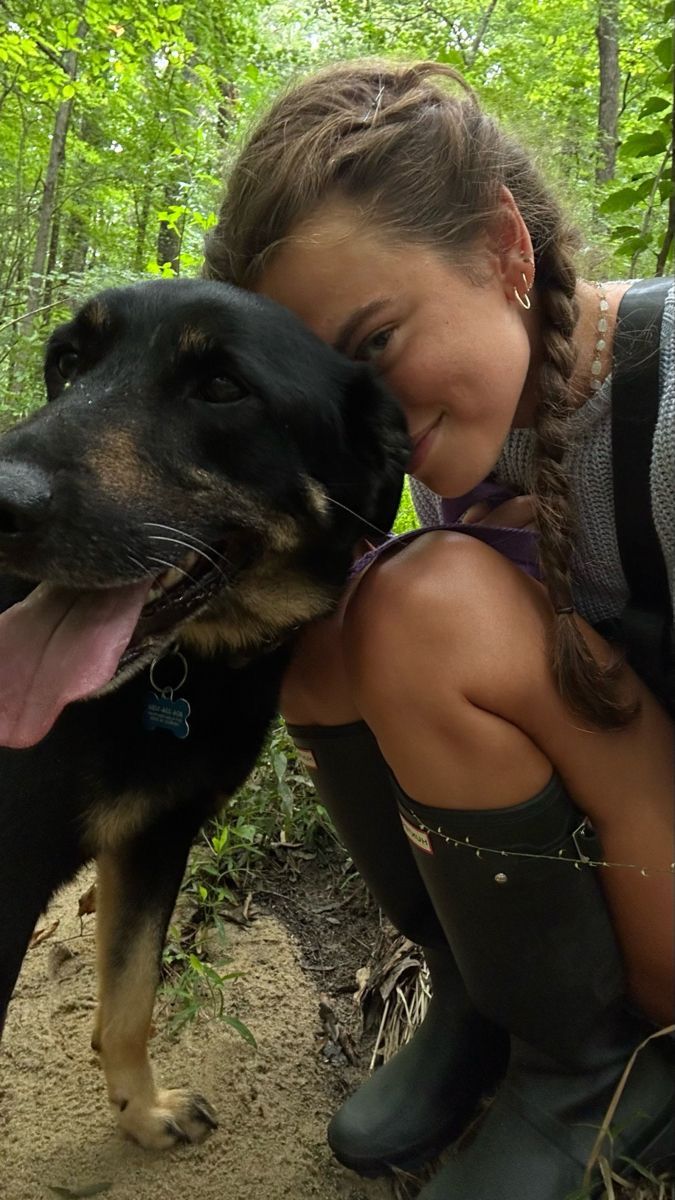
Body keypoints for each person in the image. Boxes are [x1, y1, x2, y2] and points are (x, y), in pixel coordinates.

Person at [204, 61, 675, 1199]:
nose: (359, 416)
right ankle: (488, 992)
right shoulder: (459, 432)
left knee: (420, 607)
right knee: (329, 618)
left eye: (373, 342)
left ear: (506, 251)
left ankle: (611, 1069)